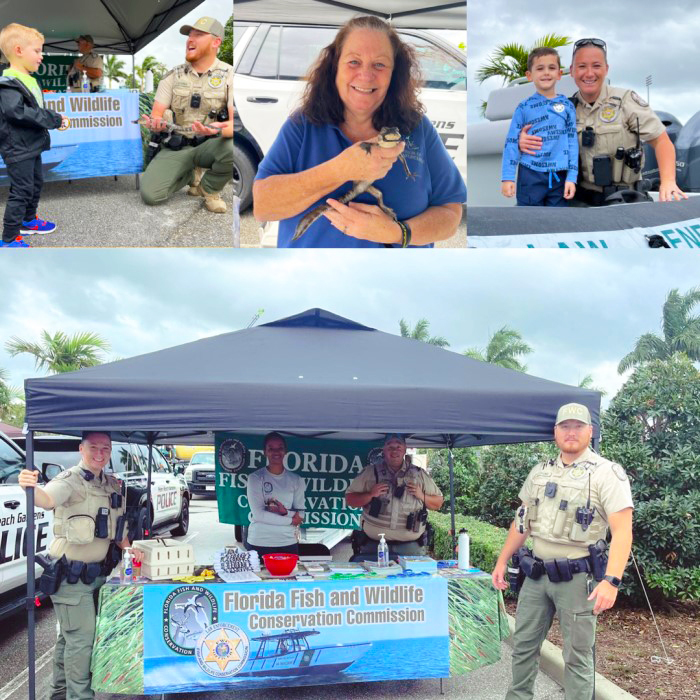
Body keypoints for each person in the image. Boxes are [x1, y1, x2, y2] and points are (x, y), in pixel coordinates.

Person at [252, 15, 466, 248]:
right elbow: (263, 207)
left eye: (380, 64)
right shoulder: (303, 124)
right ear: (335, 67)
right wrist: (339, 170)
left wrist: (397, 233)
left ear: (394, 73)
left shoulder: (416, 127)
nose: (365, 75)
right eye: (354, 62)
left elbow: (450, 212)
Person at [491, 403, 634, 700]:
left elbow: (623, 531)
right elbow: (521, 522)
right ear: (555, 432)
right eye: (565, 426)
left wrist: (611, 581)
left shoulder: (607, 473)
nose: (571, 432)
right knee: (523, 647)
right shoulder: (540, 472)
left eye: (578, 426)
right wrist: (502, 561)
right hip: (536, 575)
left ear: (590, 431)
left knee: (577, 657)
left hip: (577, 579)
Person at [18, 431, 143, 700]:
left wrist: (132, 552)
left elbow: (118, 529)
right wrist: (28, 486)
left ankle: (59, 694)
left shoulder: (110, 484)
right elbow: (47, 499)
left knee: (71, 640)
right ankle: (78, 696)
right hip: (70, 579)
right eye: (94, 447)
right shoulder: (70, 481)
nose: (100, 453)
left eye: (105, 449)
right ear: (81, 449)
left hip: (97, 576)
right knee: (82, 642)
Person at [519, 38, 687, 206]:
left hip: (625, 200)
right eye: (582, 66)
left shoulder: (626, 101)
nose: (589, 73)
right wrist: (523, 141)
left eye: (596, 66)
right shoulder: (564, 109)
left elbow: (661, 141)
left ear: (606, 69)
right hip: (581, 203)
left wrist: (668, 181)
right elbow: (544, 144)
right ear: (572, 71)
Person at [139, 16, 233, 214]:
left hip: (210, 144)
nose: (190, 39)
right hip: (177, 145)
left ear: (216, 42)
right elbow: (156, 113)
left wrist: (215, 130)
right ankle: (190, 175)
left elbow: (236, 125)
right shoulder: (173, 75)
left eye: (198, 35)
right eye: (189, 35)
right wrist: (156, 123)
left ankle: (209, 189)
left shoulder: (230, 75)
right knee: (150, 195)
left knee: (234, 145)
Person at [0, 23, 67, 248]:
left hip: (32, 145)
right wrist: (54, 120)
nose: (41, 57)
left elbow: (34, 111)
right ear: (19, 51)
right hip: (17, 148)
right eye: (37, 51)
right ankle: (8, 238)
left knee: (35, 184)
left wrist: (54, 119)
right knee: (21, 190)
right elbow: (16, 112)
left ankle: (28, 221)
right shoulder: (8, 83)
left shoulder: (27, 79)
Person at [345, 434, 444, 560]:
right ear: (384, 450)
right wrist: (370, 494)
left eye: (398, 446)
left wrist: (421, 495)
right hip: (373, 547)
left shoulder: (419, 475)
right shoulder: (370, 472)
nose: (394, 451)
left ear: (405, 449)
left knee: (411, 580)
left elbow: (438, 503)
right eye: (390, 447)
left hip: (410, 548)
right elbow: (350, 500)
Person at [501, 48, 577, 207]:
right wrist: (508, 177)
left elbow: (572, 144)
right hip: (530, 174)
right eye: (540, 68)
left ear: (559, 73)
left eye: (551, 67)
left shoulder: (568, 106)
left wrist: (571, 178)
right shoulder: (523, 107)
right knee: (528, 222)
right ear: (529, 75)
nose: (546, 72)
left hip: (560, 176)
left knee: (557, 223)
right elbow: (512, 142)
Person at [245, 432, 306, 557]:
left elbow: (301, 514)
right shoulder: (255, 478)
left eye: (280, 448)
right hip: (259, 541)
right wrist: (291, 520)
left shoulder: (296, 479)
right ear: (265, 452)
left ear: (285, 451)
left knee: (290, 576)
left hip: (288, 542)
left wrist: (284, 512)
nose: (276, 452)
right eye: (271, 448)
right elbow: (259, 515)